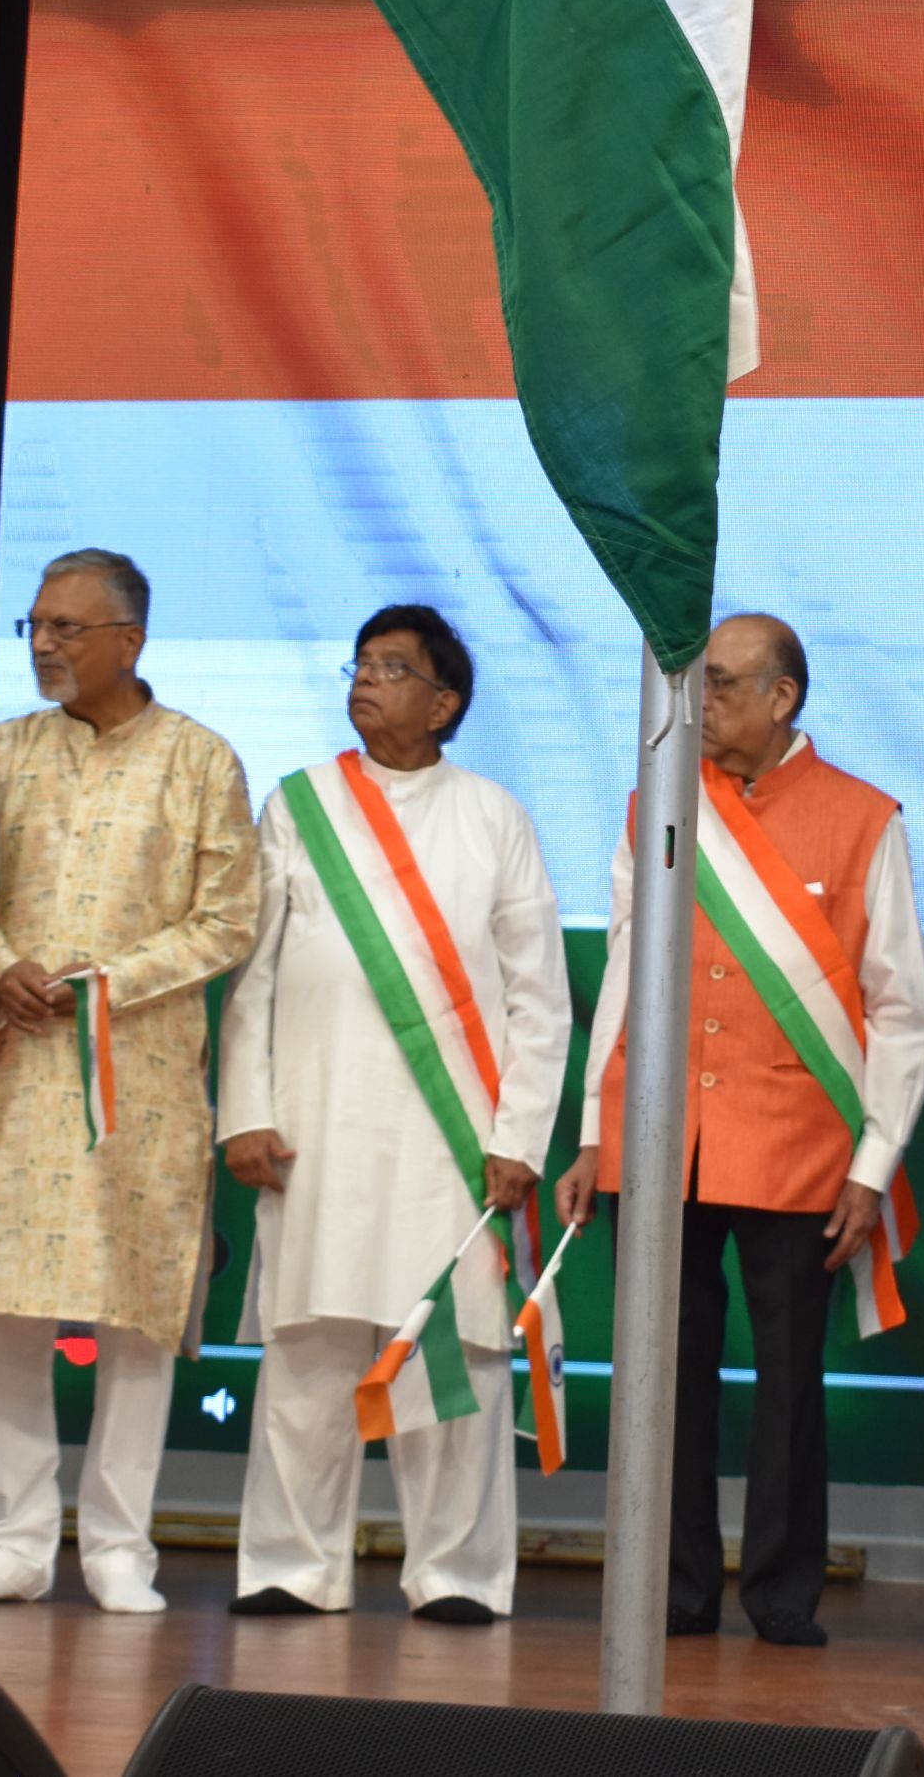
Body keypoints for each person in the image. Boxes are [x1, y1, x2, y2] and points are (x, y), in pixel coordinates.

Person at [555, 612, 924, 1648]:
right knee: (662, 1376)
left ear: (783, 696)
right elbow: (623, 975)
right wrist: (593, 1132)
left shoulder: (865, 817)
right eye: (697, 683)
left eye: (721, 683)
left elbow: (902, 1009)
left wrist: (872, 1165)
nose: (702, 702)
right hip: (657, 1134)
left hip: (797, 1144)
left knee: (788, 1382)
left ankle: (780, 1592)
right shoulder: (657, 806)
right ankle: (672, 1588)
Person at [218, 604, 565, 1623]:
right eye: (361, 664)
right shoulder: (298, 805)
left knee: (451, 1351)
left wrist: (518, 1137)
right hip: (312, 1128)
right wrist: (245, 1111)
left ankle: (457, 1574)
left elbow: (539, 996)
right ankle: (290, 1565)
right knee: (308, 1351)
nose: (367, 680)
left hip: (452, 1142)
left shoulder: (493, 815)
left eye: (393, 667)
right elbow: (253, 973)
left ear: (444, 703)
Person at [0, 549, 257, 1613]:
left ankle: (119, 1545)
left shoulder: (200, 760)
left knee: (134, 1309)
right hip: (21, 1061)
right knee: (3, 1306)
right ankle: (14, 1542)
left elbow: (228, 919)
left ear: (130, 639)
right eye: (34, 625)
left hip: (144, 1072)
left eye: (66, 628)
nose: (43, 645)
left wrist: (106, 984)